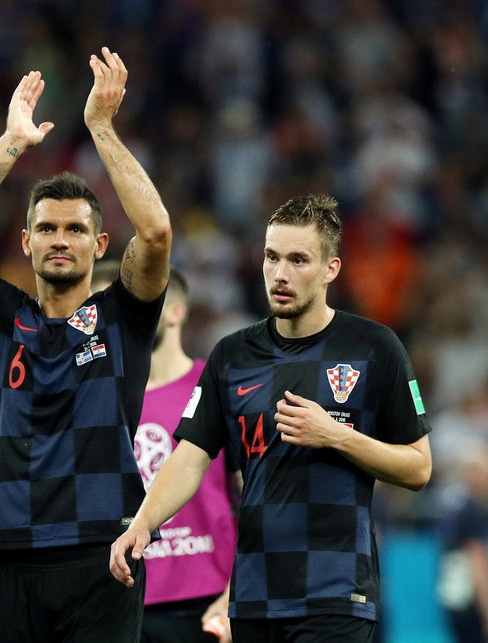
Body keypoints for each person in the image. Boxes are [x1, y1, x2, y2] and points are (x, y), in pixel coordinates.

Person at [110, 194, 433, 643]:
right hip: (254, 597)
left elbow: (419, 467)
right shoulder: (233, 354)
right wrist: (142, 524)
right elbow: (190, 456)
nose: (280, 274)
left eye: (299, 260)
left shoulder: (374, 348)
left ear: (330, 269)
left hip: (335, 594)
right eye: (271, 257)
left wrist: (336, 436)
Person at [0, 48, 172, 642]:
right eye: (46, 228)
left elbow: (158, 231)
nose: (60, 239)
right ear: (27, 242)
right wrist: (11, 145)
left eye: (75, 229)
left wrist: (101, 129)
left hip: (106, 551)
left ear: (99, 243)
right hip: (18, 555)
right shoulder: (1, 320)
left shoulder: (124, 316)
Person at [92, 260, 237, 643]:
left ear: (176, 311)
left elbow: (257, 498)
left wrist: (233, 595)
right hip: (122, 596)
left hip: (207, 599)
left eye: (141, 304)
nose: (127, 317)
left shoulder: (218, 390)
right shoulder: (99, 399)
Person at [435, 441, 488, 642]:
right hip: (472, 603)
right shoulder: (475, 511)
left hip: (453, 599)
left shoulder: (452, 506)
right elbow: (479, 562)